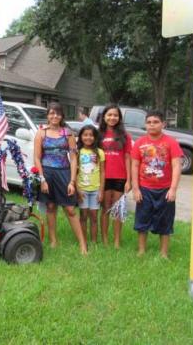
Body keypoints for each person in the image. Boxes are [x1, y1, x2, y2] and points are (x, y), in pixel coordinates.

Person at [34, 102, 88, 255]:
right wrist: (42, 179)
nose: (54, 116)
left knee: (70, 209)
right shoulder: (41, 133)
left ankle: (83, 244)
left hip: (64, 173)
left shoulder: (68, 133)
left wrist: (72, 181)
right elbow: (37, 158)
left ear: (62, 116)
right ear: (47, 115)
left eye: (57, 113)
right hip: (47, 174)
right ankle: (53, 240)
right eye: (51, 113)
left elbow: (73, 158)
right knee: (50, 207)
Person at [131, 110, 183, 258]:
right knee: (142, 220)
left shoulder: (171, 143)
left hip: (165, 189)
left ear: (163, 124)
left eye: (156, 122)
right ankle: (141, 250)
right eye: (149, 122)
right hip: (144, 189)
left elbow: (177, 166)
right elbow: (134, 166)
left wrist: (173, 189)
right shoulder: (140, 143)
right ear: (145, 125)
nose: (152, 125)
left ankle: (164, 253)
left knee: (165, 222)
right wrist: (136, 188)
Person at [99, 104, 132, 248]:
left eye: (115, 115)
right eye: (109, 115)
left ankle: (117, 241)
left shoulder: (125, 136)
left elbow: (127, 158)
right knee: (105, 207)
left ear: (119, 118)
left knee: (117, 209)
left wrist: (129, 180)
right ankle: (105, 239)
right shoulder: (98, 134)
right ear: (104, 117)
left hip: (120, 176)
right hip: (102, 177)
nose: (112, 118)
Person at [76, 125, 105, 244]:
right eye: (85, 135)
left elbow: (103, 172)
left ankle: (93, 241)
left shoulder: (100, 152)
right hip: (82, 189)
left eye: (91, 135)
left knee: (94, 217)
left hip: (96, 190)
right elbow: (74, 172)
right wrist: (77, 189)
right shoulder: (77, 152)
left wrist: (101, 191)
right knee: (83, 216)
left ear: (95, 137)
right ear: (81, 137)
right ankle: (83, 240)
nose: (88, 137)